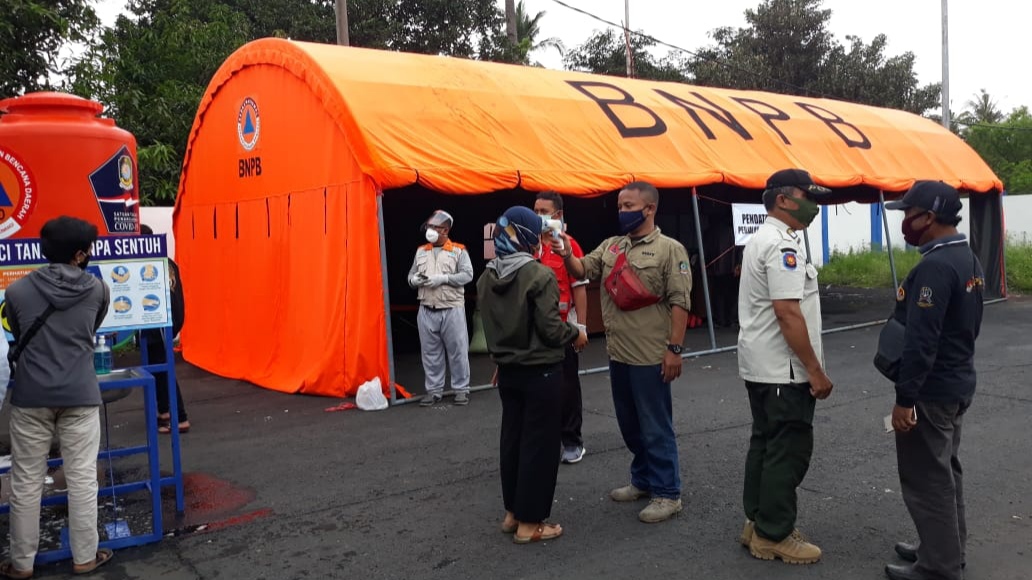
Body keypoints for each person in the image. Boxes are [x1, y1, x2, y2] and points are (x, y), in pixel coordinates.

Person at [552, 181, 692, 524]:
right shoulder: (613, 247)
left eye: (629, 205)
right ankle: (643, 480)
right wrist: (565, 250)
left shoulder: (669, 249)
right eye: (619, 206)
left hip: (650, 355)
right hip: (619, 355)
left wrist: (674, 350)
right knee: (630, 424)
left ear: (649, 209)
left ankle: (667, 493)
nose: (622, 211)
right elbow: (583, 270)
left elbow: (680, 302)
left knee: (656, 425)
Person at [1, 216, 114, 577]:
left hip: (30, 396)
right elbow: (90, 328)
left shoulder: (16, 292)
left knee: (26, 480)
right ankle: (85, 558)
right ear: (80, 254)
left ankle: (21, 565)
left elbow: (18, 334)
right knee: (82, 478)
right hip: (80, 393)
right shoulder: (97, 290)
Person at [882, 181, 983, 580]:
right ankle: (945, 550)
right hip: (957, 382)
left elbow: (922, 341)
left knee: (928, 479)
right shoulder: (966, 257)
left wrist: (905, 399)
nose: (905, 221)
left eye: (909, 213)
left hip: (932, 392)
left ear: (929, 217)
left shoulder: (935, 267)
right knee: (946, 472)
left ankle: (938, 567)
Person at [736, 169, 834, 565]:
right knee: (787, 450)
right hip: (784, 371)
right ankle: (773, 534)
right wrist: (815, 370)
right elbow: (788, 313)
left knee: (765, 444)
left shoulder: (765, 238)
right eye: (807, 195)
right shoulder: (780, 245)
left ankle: (758, 522)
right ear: (782, 199)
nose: (814, 203)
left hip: (762, 367)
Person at [478, 206, 587, 544]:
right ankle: (531, 523)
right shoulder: (538, 276)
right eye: (538, 235)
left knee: (512, 440)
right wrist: (576, 333)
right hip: (541, 371)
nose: (543, 241)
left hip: (508, 371)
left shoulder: (487, 276)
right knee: (539, 446)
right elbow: (551, 329)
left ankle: (512, 513)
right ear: (527, 239)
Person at [533, 191, 590, 464]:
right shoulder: (530, 246)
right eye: (535, 210)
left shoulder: (568, 245)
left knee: (567, 385)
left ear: (558, 215)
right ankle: (546, 441)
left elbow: (580, 289)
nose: (539, 216)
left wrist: (580, 328)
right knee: (539, 387)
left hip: (564, 327)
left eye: (544, 211)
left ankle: (572, 441)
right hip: (535, 328)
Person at [407, 210, 474, 406]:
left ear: (445, 230)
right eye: (429, 226)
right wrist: (414, 280)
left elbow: (467, 275)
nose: (430, 230)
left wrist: (443, 279)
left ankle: (461, 389)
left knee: (457, 351)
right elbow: (411, 275)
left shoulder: (459, 250)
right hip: (426, 308)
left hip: (451, 308)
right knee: (430, 353)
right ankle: (434, 391)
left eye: (435, 227)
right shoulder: (421, 251)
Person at [139, 224, 189, 434]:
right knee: (158, 367)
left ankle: (180, 417)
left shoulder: (147, 265)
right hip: (170, 321)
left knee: (163, 368)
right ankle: (165, 411)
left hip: (157, 324)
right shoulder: (167, 262)